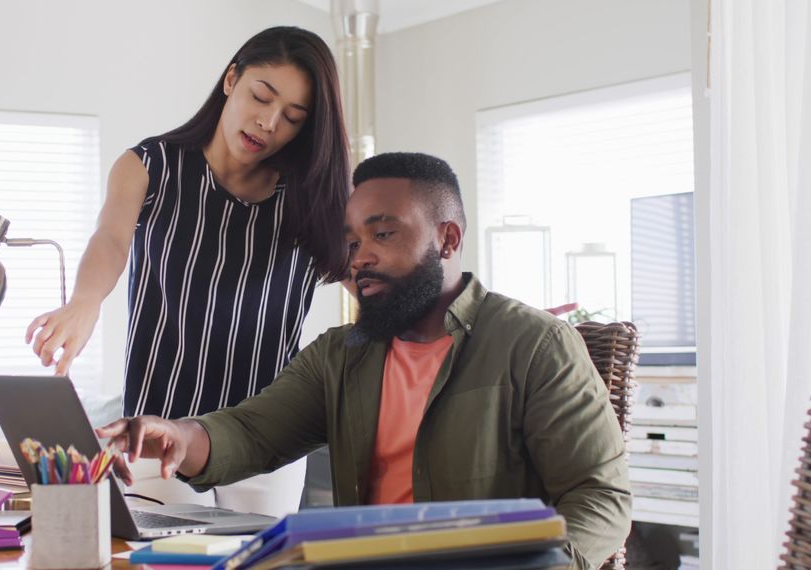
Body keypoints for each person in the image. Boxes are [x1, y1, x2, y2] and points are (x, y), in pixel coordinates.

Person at [97, 152, 632, 570]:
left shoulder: (534, 344)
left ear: (447, 239)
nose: (361, 257)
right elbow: (254, 431)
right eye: (352, 241)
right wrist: (179, 437)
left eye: (383, 233)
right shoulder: (341, 354)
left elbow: (600, 497)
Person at [25, 27, 352, 518]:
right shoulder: (149, 165)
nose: (267, 123)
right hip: (155, 434)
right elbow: (111, 240)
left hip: (267, 443)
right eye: (260, 96)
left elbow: (373, 280)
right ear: (231, 80)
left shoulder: (314, 199)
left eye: (292, 117)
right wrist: (85, 302)